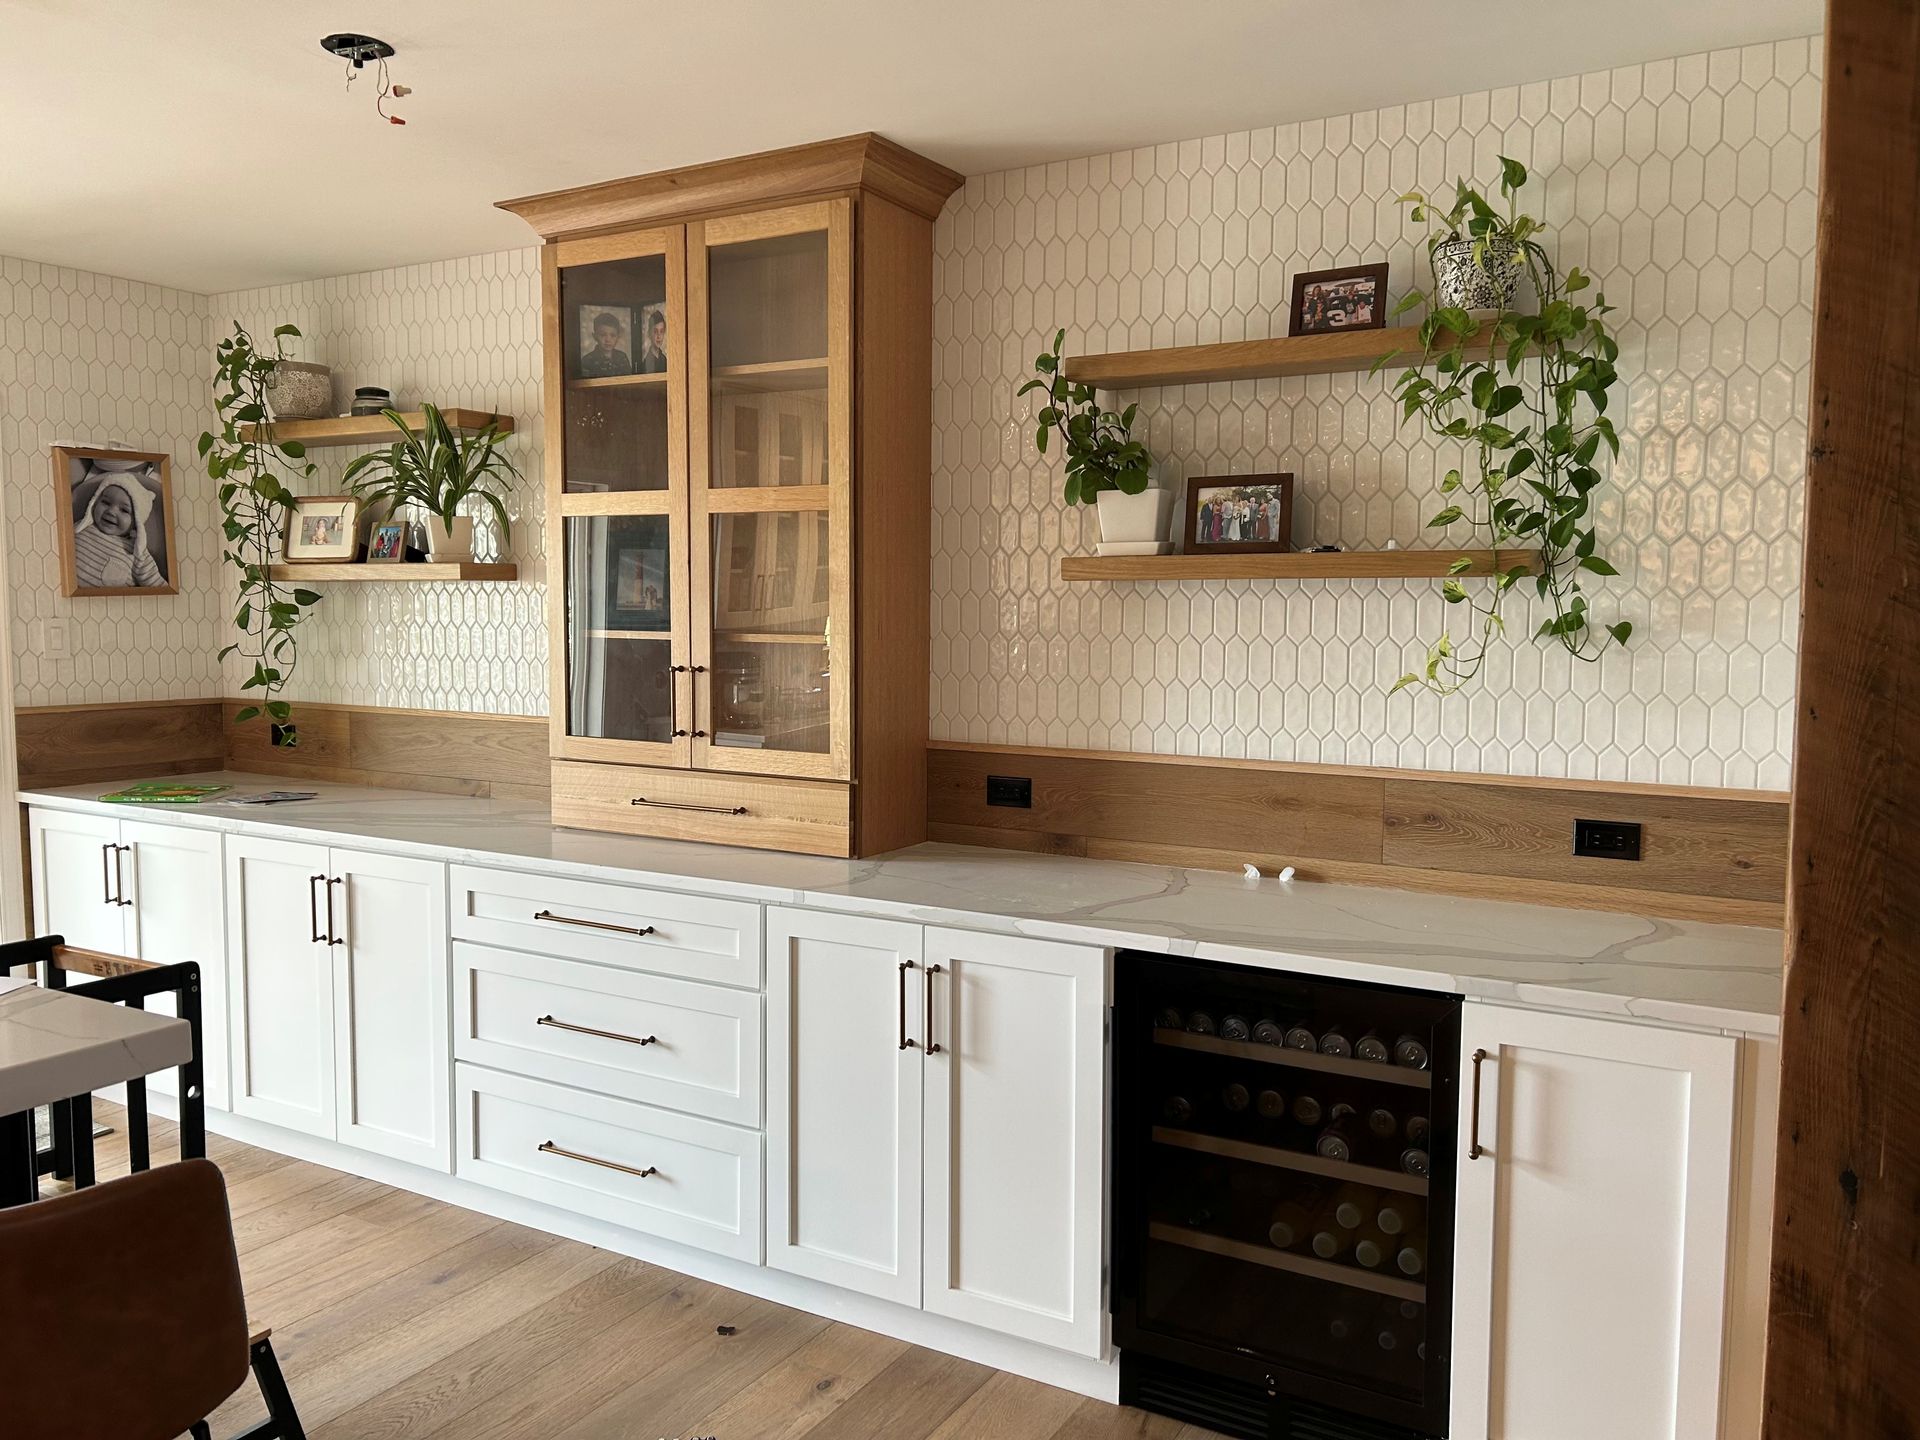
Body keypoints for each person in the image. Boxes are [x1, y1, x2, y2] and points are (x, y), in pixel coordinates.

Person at [72, 472, 163, 588]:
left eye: (124, 510)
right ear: (94, 503)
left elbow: (158, 585)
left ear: (136, 521)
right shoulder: (80, 528)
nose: (111, 511)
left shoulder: (137, 551)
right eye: (105, 502)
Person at [580, 312, 632, 378]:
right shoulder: (587, 361)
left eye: (613, 335)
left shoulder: (622, 357)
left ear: (618, 337)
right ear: (594, 336)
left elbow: (628, 380)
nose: (608, 340)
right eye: (603, 335)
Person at [638, 308, 668, 374]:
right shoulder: (646, 363)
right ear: (649, 333)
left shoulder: (665, 360)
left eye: (661, 331)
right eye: (655, 331)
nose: (659, 336)